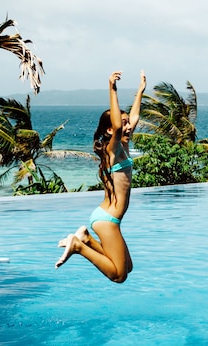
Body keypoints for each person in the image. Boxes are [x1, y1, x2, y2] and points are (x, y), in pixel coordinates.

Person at [55, 70, 146, 283]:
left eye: (127, 123)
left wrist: (140, 91)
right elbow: (117, 126)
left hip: (108, 218)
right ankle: (78, 246)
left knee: (128, 267)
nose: (128, 125)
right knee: (118, 276)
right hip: (107, 220)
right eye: (123, 123)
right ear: (109, 130)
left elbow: (134, 118)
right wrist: (112, 88)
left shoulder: (123, 145)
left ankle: (86, 238)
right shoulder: (113, 148)